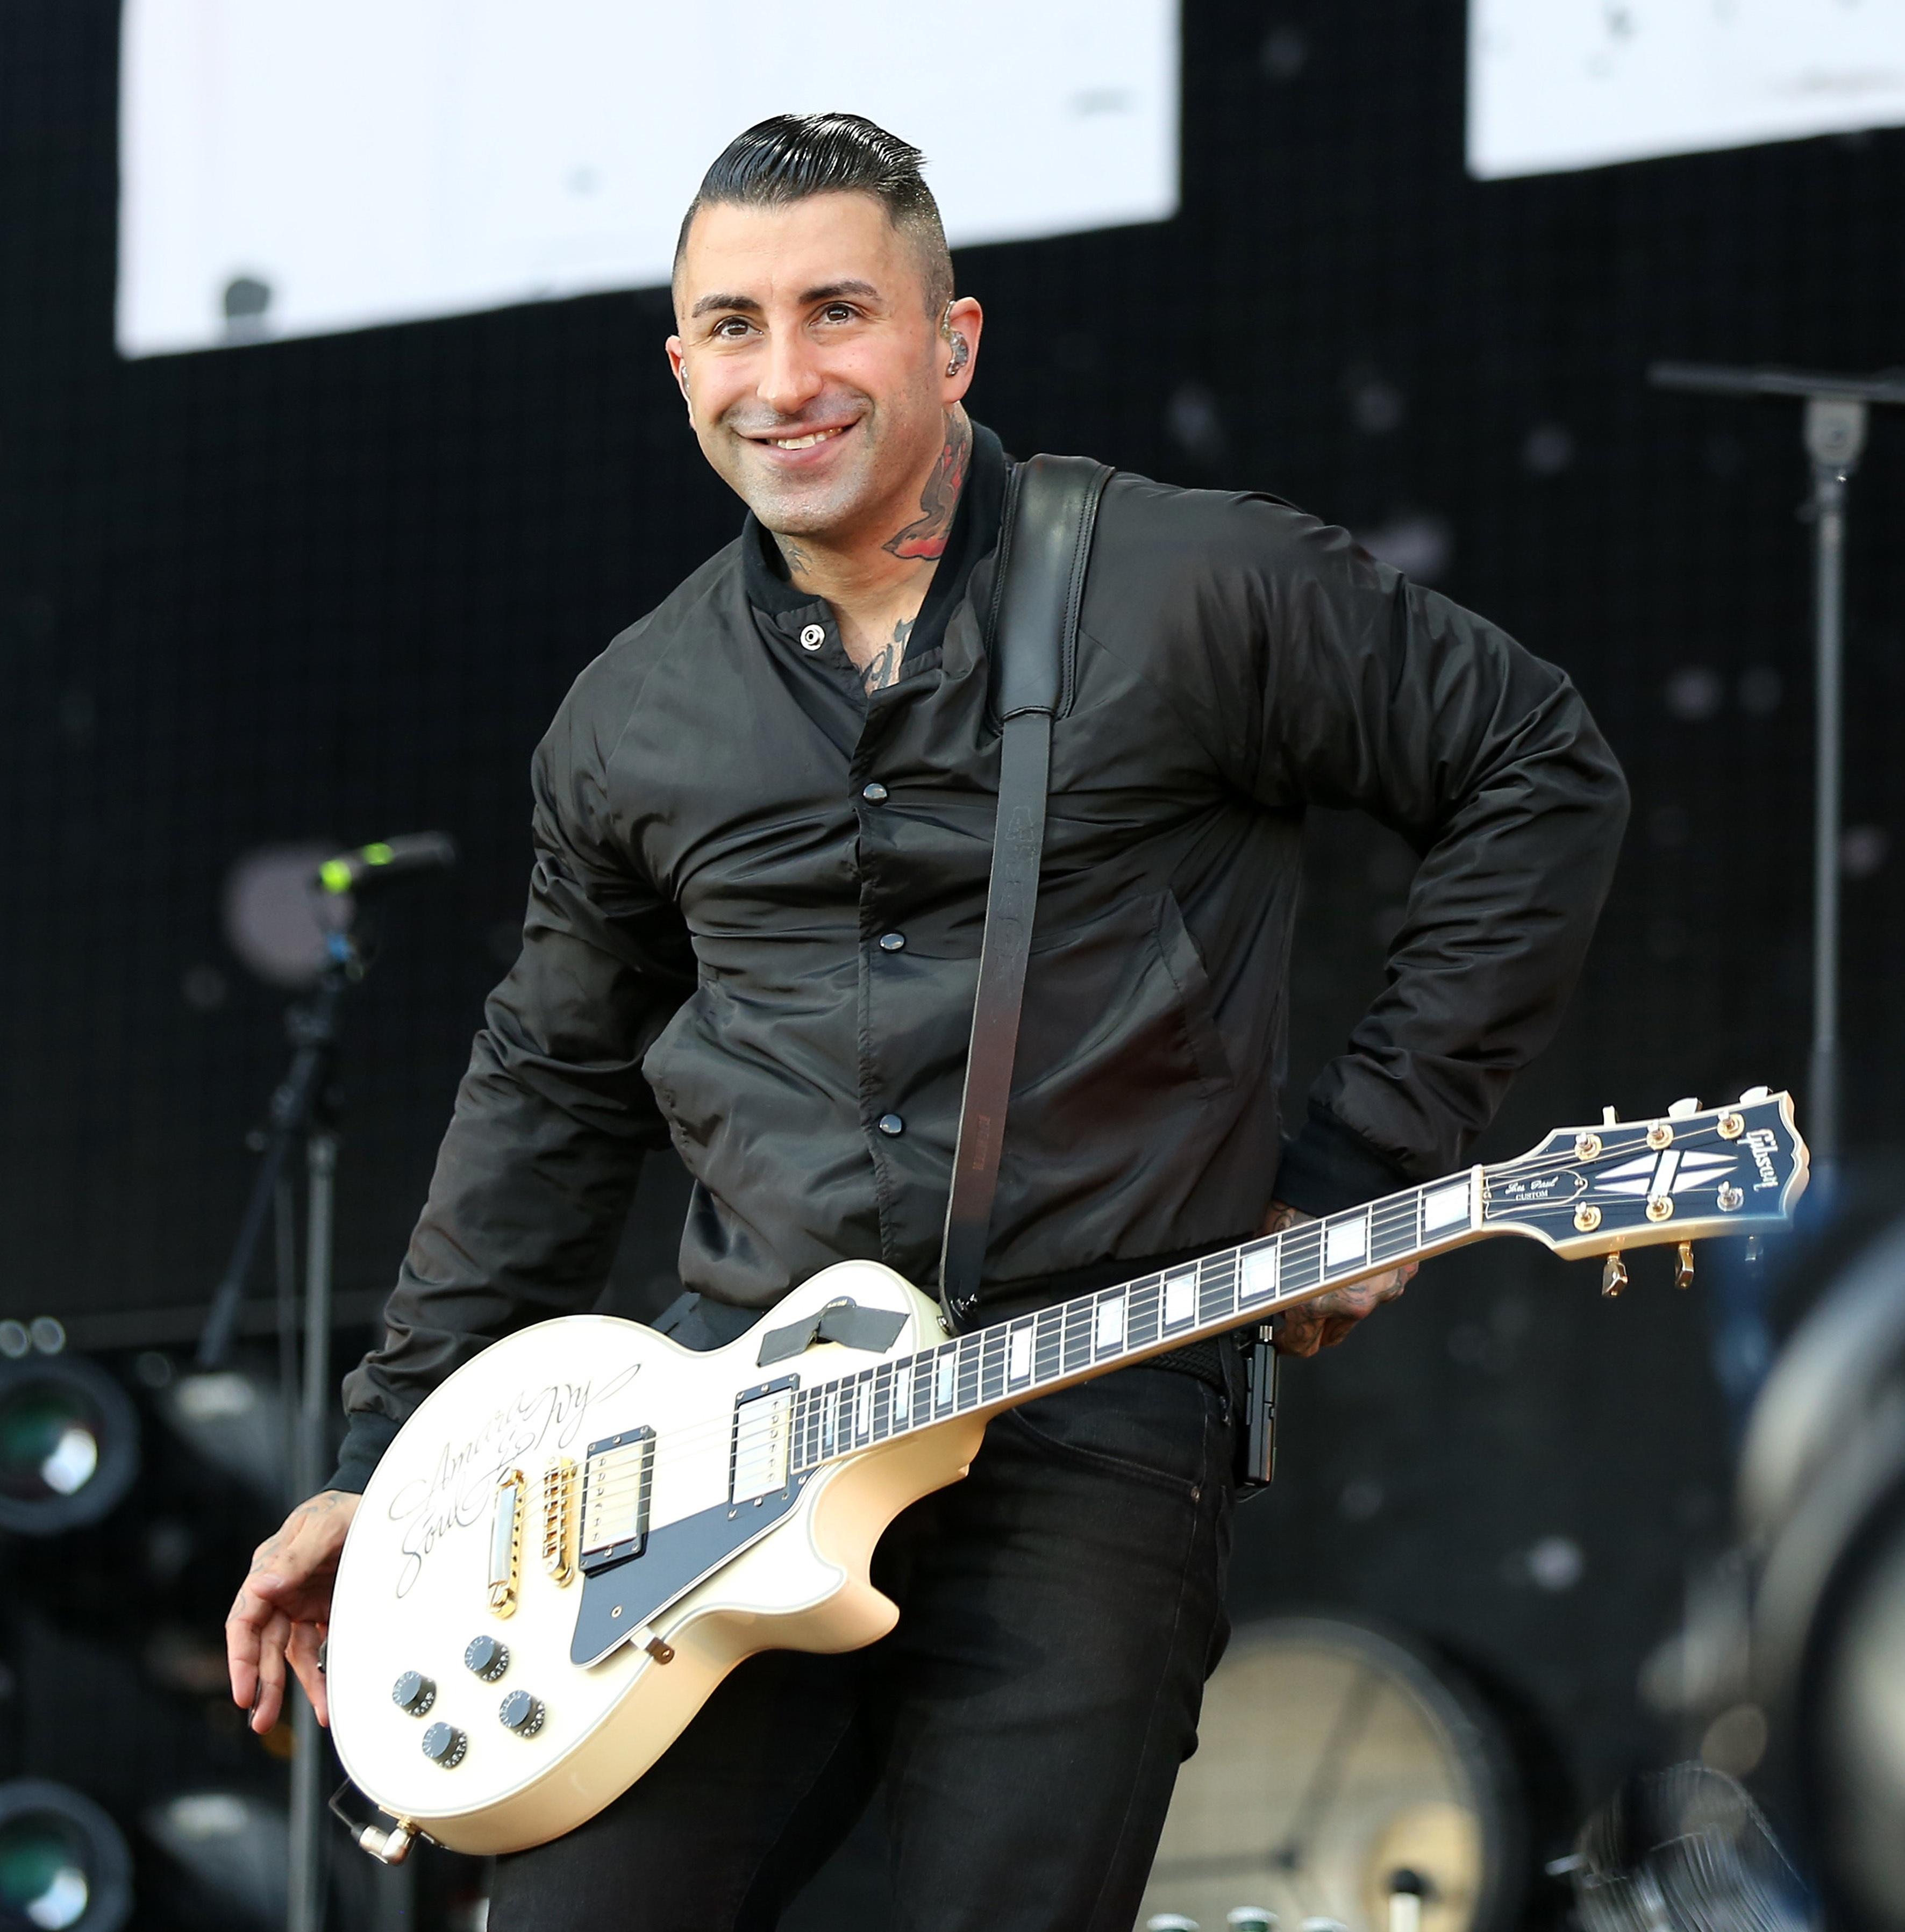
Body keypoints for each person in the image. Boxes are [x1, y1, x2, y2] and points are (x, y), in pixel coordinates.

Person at [225, 112, 1627, 1930]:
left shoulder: (1186, 584)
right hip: (722, 1449)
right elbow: (548, 1092)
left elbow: (1535, 767)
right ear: (678, 367)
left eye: (838, 313)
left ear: (952, 342)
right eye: (733, 327)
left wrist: (1371, 1149)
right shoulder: (633, 716)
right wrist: (384, 1464)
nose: (783, 378)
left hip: (1091, 1421)